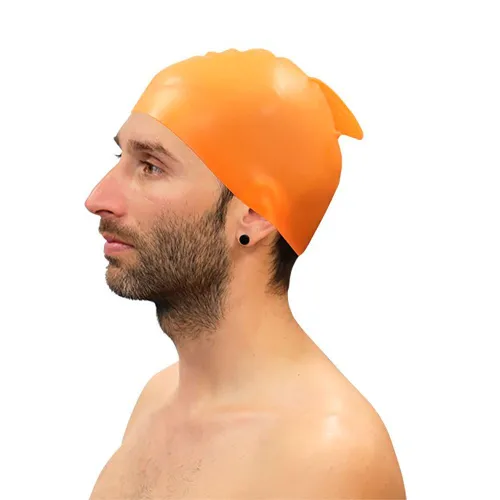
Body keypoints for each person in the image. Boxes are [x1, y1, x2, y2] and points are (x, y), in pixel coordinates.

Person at [85, 48, 406, 499]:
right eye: (121, 157)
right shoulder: (158, 400)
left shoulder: (325, 454)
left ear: (255, 214)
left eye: (151, 167)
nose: (98, 198)